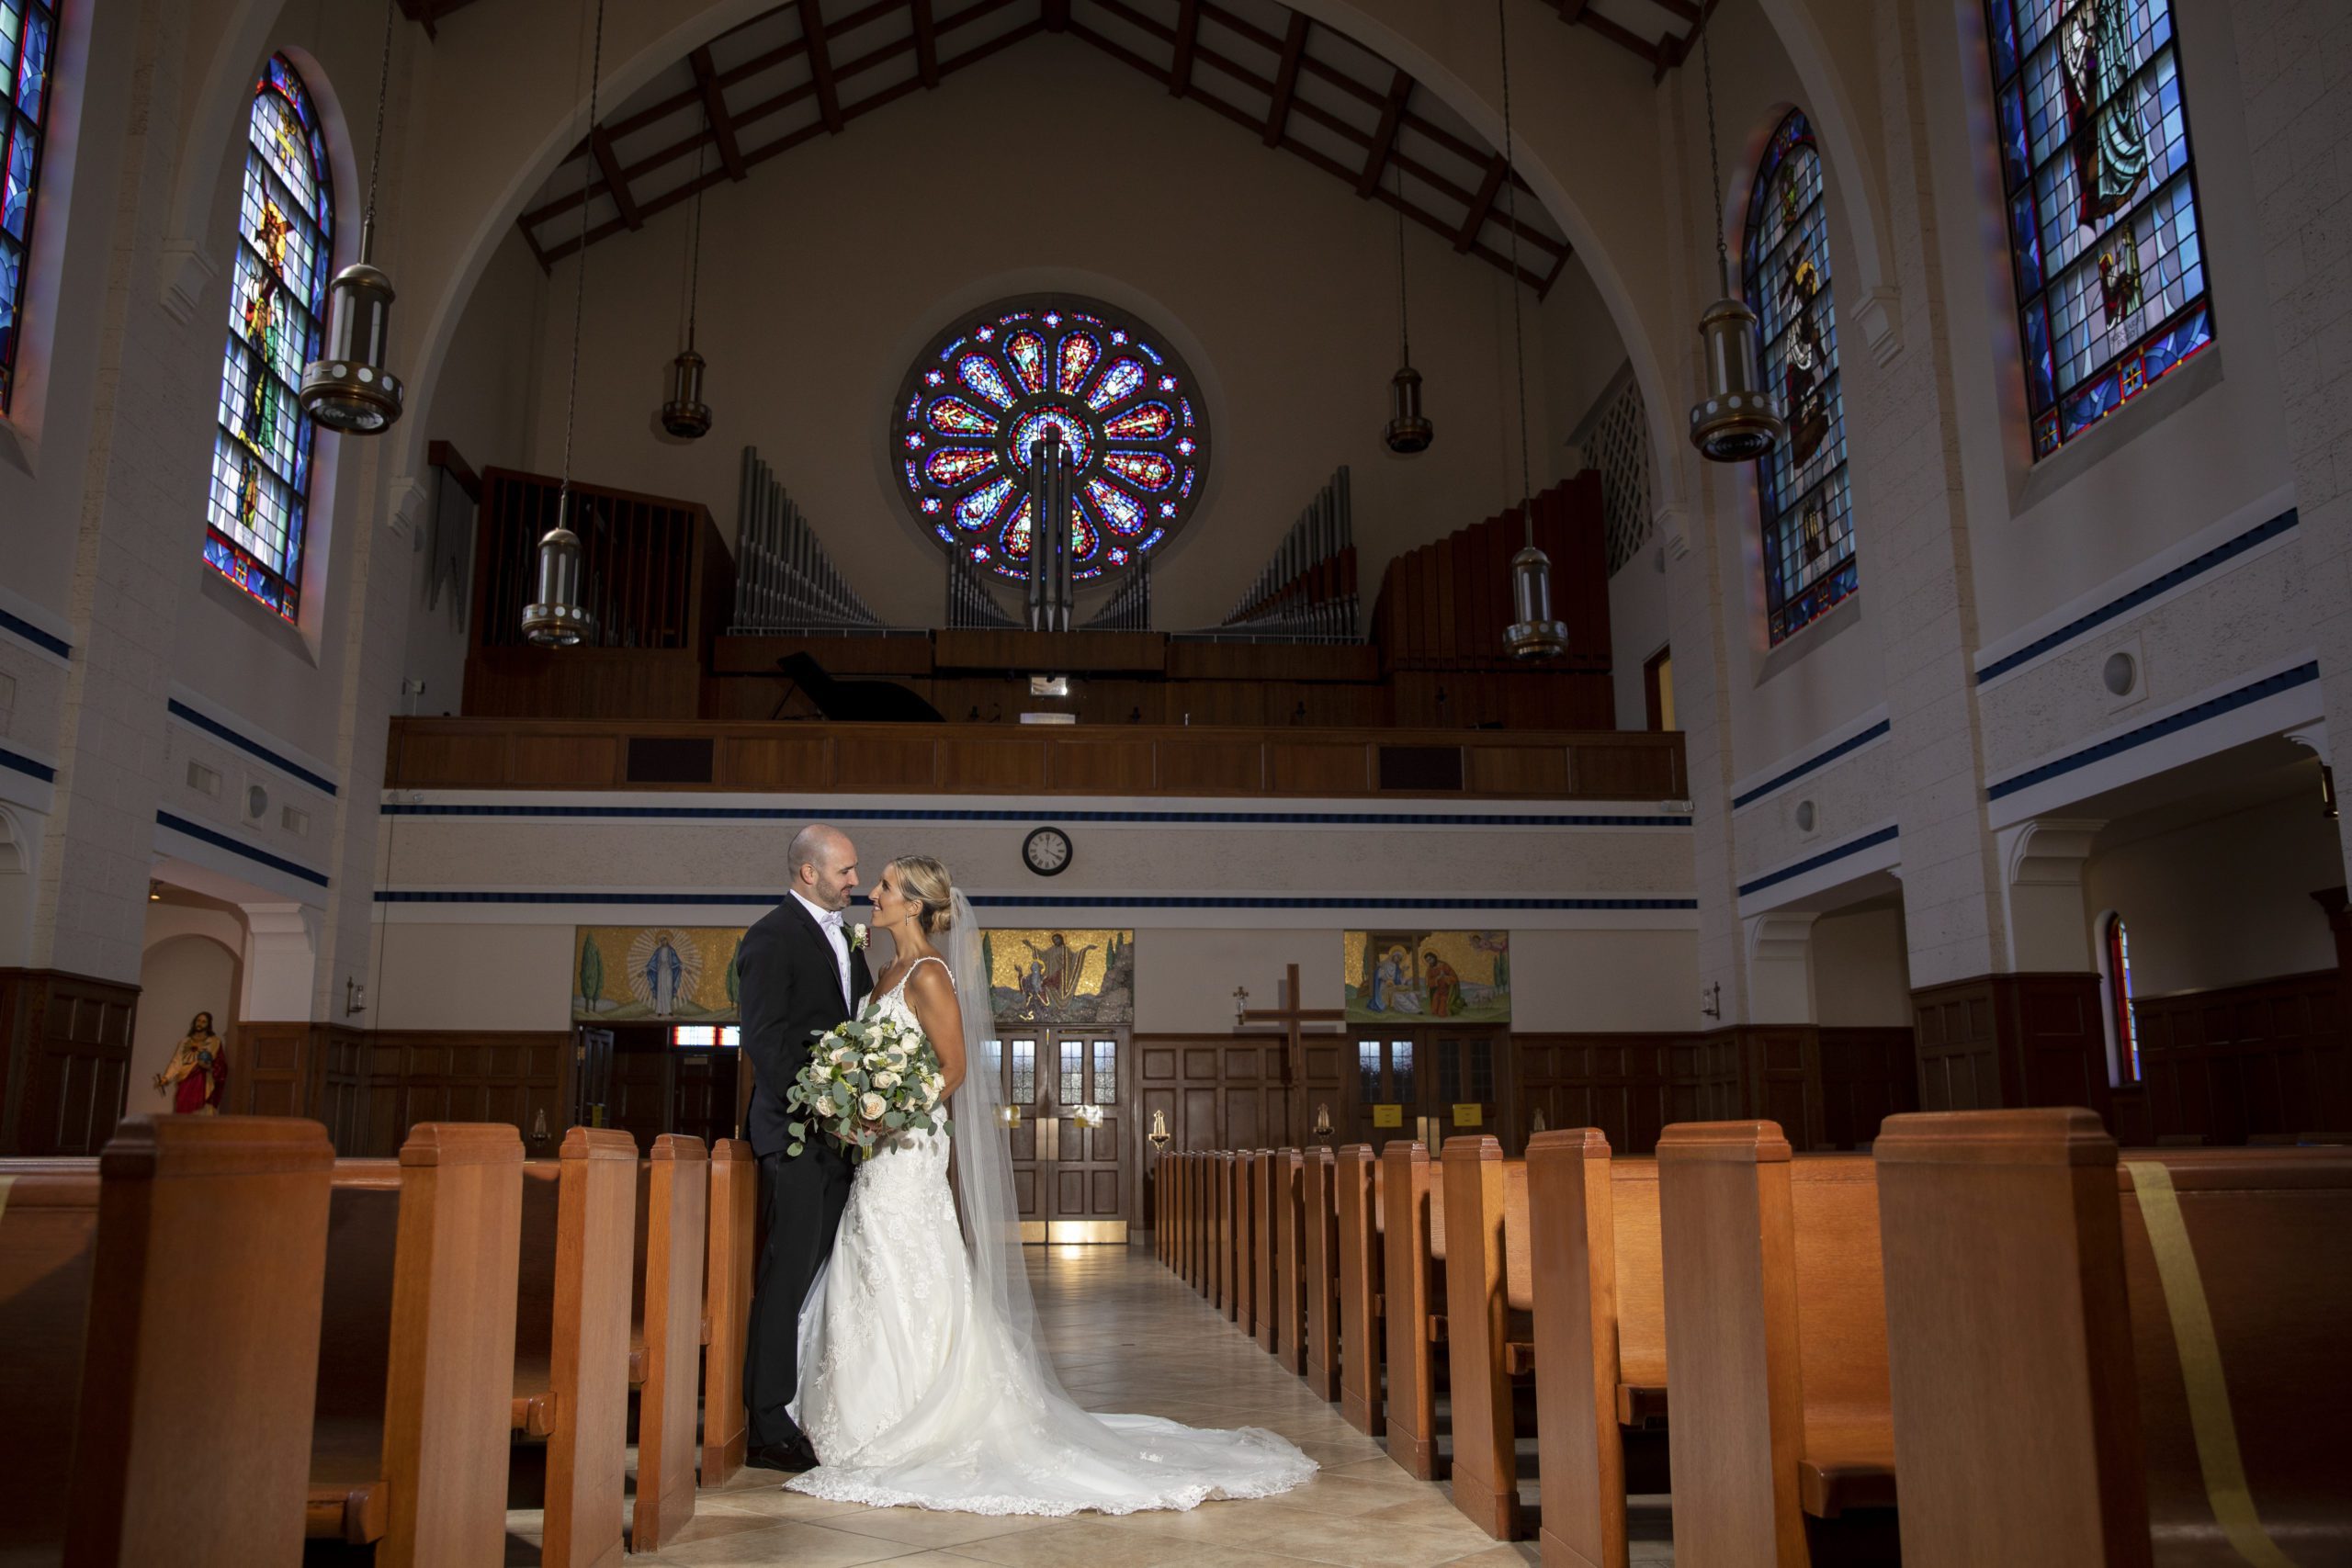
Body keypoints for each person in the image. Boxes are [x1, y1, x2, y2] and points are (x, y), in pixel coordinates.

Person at [788, 854, 1315, 1516]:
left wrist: (892, 1113)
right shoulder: (881, 974)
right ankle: (866, 1410)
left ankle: (919, 1413)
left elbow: (953, 1068)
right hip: (875, 1153)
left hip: (908, 1148)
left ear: (915, 904)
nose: (873, 891)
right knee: (870, 1263)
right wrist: (856, 1102)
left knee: (907, 1261)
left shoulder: (929, 974)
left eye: (886, 885)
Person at [737, 824, 872, 1474]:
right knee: (785, 1276)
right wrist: (822, 1108)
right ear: (809, 872)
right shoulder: (770, 936)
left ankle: (804, 1403)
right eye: (845, 871)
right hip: (793, 1136)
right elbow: (764, 1040)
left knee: (821, 1275)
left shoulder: (847, 939)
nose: (856, 881)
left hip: (839, 1140)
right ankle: (765, 1424)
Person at [155, 1012, 228, 1114]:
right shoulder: (184, 1042)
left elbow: (221, 1065)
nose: (200, 1024)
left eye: (204, 1022)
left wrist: (209, 1067)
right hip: (185, 1080)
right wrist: (166, 1078)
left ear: (208, 1024)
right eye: (198, 1020)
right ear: (194, 1022)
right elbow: (176, 1062)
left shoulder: (214, 1042)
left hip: (202, 1082)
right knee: (182, 1105)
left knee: (200, 1109)